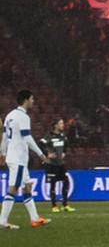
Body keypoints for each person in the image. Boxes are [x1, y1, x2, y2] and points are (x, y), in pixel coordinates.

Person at [0, 91, 50, 229]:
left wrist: (3, 152)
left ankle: (34, 218)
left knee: (27, 186)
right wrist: (40, 153)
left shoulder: (10, 115)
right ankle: (2, 220)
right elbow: (27, 137)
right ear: (26, 100)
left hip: (14, 156)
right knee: (14, 188)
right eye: (32, 98)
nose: (33, 101)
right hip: (18, 158)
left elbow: (5, 136)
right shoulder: (23, 117)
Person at [39, 117, 72, 214]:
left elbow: (66, 144)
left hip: (60, 164)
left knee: (66, 182)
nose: (63, 125)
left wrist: (64, 152)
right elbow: (40, 144)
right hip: (51, 164)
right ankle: (54, 206)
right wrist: (47, 154)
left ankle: (65, 204)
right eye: (61, 123)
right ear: (55, 125)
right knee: (53, 184)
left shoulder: (62, 136)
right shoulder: (48, 135)